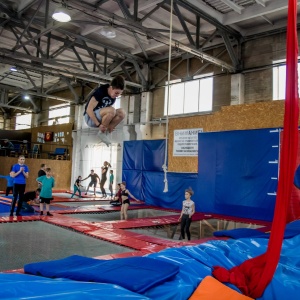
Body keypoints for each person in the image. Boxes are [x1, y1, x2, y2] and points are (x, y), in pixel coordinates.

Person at [83, 75, 126, 146]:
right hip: (90, 118)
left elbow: (109, 114)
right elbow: (88, 110)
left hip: (101, 117)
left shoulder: (113, 97)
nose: (117, 96)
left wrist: (111, 125)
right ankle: (102, 133)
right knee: (111, 110)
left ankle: (106, 133)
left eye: (119, 94)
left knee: (122, 113)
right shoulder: (101, 91)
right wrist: (99, 125)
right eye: (116, 93)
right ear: (111, 87)